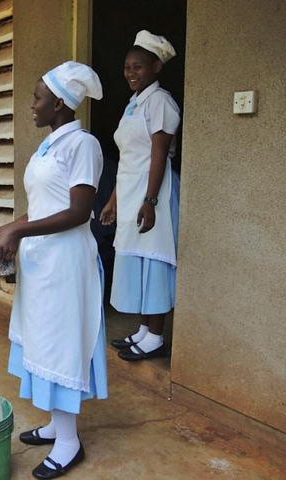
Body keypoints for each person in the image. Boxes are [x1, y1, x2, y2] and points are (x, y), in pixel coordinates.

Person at [0, 62, 107, 479]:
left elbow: (79, 212)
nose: (31, 105)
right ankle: (55, 425)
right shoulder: (49, 145)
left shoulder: (82, 145)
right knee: (42, 342)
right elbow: (45, 206)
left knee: (61, 344)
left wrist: (20, 230)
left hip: (67, 263)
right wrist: (6, 227)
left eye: (37, 98)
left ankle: (70, 443)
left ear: (60, 104)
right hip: (41, 262)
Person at [100, 30, 181, 362]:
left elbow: (158, 156)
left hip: (153, 193)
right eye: (127, 67)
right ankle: (145, 331)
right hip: (133, 190)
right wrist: (114, 199)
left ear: (156, 67)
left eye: (139, 67)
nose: (131, 73)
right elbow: (129, 159)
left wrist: (150, 201)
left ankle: (157, 336)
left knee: (154, 261)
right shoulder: (134, 105)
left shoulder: (161, 102)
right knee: (138, 260)